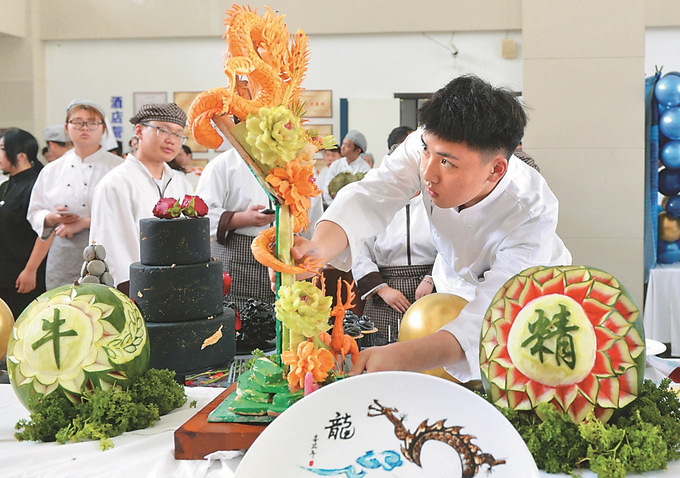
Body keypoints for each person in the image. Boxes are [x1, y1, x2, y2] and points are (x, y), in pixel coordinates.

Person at [287, 75, 571, 382]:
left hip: (527, 303)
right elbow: (368, 197)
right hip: (453, 288)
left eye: (448, 163)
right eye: (426, 151)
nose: (428, 173)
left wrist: (398, 356)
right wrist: (317, 250)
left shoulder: (531, 212)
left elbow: (493, 315)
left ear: (495, 169)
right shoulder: (428, 145)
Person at [195, 146, 323, 312]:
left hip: (290, 254)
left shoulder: (300, 164)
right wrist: (241, 218)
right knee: (235, 317)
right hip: (237, 256)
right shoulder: (224, 164)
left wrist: (314, 256)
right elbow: (201, 215)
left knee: (286, 317)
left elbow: (314, 219)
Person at [89, 103, 193, 288]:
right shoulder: (115, 184)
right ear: (139, 131)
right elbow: (111, 249)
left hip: (178, 284)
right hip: (135, 288)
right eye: (164, 130)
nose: (172, 140)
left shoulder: (181, 182)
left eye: (178, 134)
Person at [27, 99, 123, 290]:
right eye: (78, 122)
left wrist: (85, 223)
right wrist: (52, 217)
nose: (84, 128)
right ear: (67, 127)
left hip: (107, 251)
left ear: (103, 128)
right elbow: (35, 210)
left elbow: (126, 213)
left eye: (92, 123)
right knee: (62, 302)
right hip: (63, 252)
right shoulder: (52, 169)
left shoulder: (118, 168)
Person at [352, 128, 435, 345]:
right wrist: (383, 289)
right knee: (381, 349)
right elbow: (359, 251)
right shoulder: (376, 204)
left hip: (429, 290)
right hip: (384, 292)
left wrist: (431, 278)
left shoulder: (436, 202)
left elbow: (451, 247)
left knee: (426, 350)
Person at [0, 129, 49, 318]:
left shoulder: (35, 186)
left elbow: (45, 232)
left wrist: (30, 270)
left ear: (21, 155)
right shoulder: (6, 186)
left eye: (2, 148)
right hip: (5, 272)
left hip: (24, 274)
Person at [320, 129, 370, 206]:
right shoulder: (336, 164)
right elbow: (327, 189)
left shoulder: (365, 169)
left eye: (347, 146)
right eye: (343, 144)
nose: (342, 147)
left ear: (357, 151)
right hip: (334, 207)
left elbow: (364, 193)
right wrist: (335, 205)